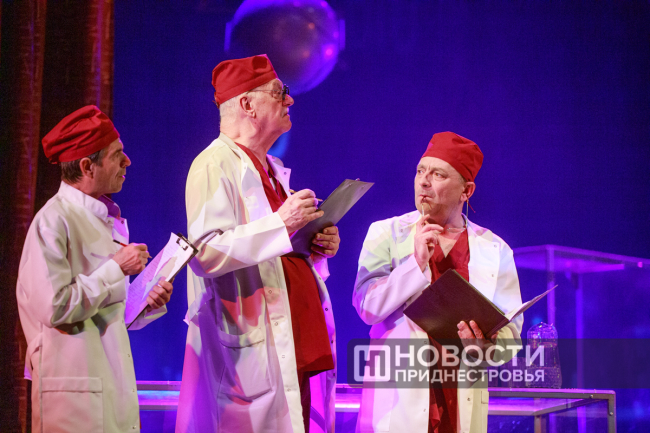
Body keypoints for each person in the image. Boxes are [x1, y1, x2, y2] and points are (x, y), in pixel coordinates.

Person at [176, 55, 340, 433]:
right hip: (250, 355)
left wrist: (313, 246)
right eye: (279, 92)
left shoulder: (271, 170)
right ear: (248, 105)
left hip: (294, 346)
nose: (290, 99)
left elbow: (276, 252)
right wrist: (283, 223)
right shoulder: (214, 164)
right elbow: (205, 253)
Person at [16, 105, 174, 433]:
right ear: (87, 166)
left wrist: (145, 303)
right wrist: (116, 268)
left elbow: (105, 314)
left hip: (110, 386)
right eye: (117, 155)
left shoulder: (104, 220)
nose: (127, 161)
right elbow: (55, 307)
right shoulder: (53, 221)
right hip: (74, 398)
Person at [353, 132, 523, 433]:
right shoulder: (386, 233)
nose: (424, 181)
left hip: (461, 395)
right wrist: (416, 263)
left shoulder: (495, 249)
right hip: (397, 401)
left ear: (466, 191)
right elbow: (368, 308)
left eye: (438, 174)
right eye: (420, 171)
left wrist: (487, 347)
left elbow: (511, 331)